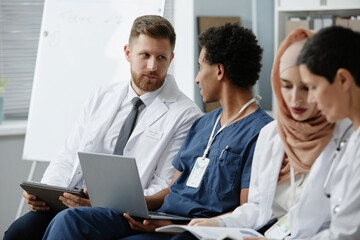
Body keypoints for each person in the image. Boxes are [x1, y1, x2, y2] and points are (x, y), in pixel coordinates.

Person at [41, 23, 273, 240]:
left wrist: (177, 226)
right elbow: (173, 190)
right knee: (63, 221)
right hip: (162, 217)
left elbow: (247, 213)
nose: (196, 78)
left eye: (201, 67)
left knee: (71, 222)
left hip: (193, 229)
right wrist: (134, 206)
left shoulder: (261, 131)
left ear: (219, 71)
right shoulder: (204, 124)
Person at [3, 15, 203, 240]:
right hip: (76, 200)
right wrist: (48, 193)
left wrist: (98, 202)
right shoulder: (102, 96)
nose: (152, 66)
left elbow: (163, 185)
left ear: (171, 58)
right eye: (145, 55)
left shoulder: (186, 114)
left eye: (161, 57)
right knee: (19, 232)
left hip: (125, 211)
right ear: (128, 53)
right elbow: (68, 155)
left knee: (68, 223)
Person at [182, 28, 353, 240]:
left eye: (308, 87)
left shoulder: (346, 138)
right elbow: (257, 207)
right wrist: (218, 223)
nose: (295, 99)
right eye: (287, 86)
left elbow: (345, 229)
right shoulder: (271, 134)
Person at [297, 25, 360, 240]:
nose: (311, 100)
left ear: (343, 80)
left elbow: (347, 234)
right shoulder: (351, 137)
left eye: (313, 87)